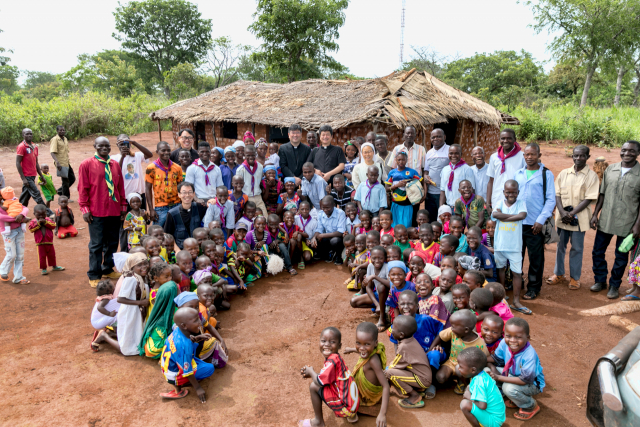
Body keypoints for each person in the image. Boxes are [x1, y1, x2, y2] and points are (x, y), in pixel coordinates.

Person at [591, 141, 640, 299]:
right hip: (606, 220)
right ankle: (600, 281)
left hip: (628, 222)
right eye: (624, 150)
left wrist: (638, 225)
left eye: (631, 151)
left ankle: (614, 285)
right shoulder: (611, 169)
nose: (627, 153)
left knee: (621, 255)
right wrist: (595, 214)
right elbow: (602, 194)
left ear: (637, 153)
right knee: (598, 251)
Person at [546, 145, 599, 291]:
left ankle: (575, 278)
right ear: (572, 156)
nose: (578, 158)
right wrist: (562, 212)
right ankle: (559, 273)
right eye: (576, 155)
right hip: (562, 218)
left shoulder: (592, 176)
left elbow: (588, 199)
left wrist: (571, 213)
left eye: (582, 156)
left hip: (579, 219)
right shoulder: (564, 173)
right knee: (560, 246)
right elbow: (556, 194)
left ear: (588, 157)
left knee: (576, 248)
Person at [78, 137, 128, 287]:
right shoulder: (86, 164)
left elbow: (120, 188)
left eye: (107, 145)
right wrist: (84, 208)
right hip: (96, 210)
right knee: (96, 244)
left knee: (112, 242)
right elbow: (83, 188)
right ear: (95, 146)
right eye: (101, 145)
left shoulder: (114, 165)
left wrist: (123, 207)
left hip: (113, 209)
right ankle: (94, 273)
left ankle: (107, 268)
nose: (104, 148)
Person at [513, 143, 555, 301]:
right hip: (518, 222)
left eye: (532, 154)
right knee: (517, 255)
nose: (529, 157)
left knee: (535, 257)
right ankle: (517, 283)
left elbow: (551, 200)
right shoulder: (518, 173)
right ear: (523, 156)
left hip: (535, 224)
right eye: (526, 154)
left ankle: (534, 287)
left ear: (539, 155)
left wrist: (540, 220)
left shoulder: (546, 174)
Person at [90, 252, 149, 355]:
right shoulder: (130, 279)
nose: (143, 267)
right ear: (131, 266)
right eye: (139, 265)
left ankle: (111, 334)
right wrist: (141, 302)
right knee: (128, 350)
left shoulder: (137, 277)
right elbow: (120, 299)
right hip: (128, 312)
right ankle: (104, 336)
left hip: (134, 312)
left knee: (134, 339)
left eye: (145, 263)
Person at [299, 327, 359, 425]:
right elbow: (326, 378)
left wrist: (311, 371)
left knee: (313, 386)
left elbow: (319, 382)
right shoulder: (337, 358)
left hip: (346, 407)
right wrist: (312, 375)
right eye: (323, 341)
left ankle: (318, 422)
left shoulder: (331, 361)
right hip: (352, 405)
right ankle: (352, 416)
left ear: (339, 346)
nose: (327, 344)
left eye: (332, 342)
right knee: (320, 381)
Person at [488, 317, 544, 421]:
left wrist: (498, 377)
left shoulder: (529, 355)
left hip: (531, 384)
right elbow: (496, 358)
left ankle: (530, 406)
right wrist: (480, 359)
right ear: (504, 335)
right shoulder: (504, 343)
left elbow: (524, 380)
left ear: (527, 338)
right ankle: (516, 398)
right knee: (487, 370)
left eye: (518, 337)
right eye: (508, 336)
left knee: (509, 388)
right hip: (512, 374)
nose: (512, 340)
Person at [159, 307, 215, 402]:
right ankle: (179, 387)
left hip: (168, 367)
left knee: (194, 352)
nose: (199, 322)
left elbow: (187, 340)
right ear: (184, 326)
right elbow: (187, 371)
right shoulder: (184, 345)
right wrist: (198, 388)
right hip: (174, 375)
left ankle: (179, 382)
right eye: (196, 320)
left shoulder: (177, 331)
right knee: (209, 368)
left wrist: (198, 337)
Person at [492, 180, 528, 314]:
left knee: (517, 273)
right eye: (508, 192)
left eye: (514, 192)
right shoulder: (500, 202)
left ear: (518, 192)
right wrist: (514, 216)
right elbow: (495, 215)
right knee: (500, 269)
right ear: (504, 192)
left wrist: (503, 217)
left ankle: (516, 301)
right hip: (500, 245)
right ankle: (502, 296)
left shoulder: (521, 203)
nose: (511, 194)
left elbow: (523, 215)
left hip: (514, 246)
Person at [111, 134, 153, 251]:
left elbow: (150, 154)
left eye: (126, 141)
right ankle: (125, 251)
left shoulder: (137, 155)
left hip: (139, 195)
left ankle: (142, 248)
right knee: (125, 225)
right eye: (121, 142)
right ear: (117, 144)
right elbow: (115, 172)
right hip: (124, 197)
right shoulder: (114, 158)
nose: (124, 144)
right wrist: (123, 157)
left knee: (141, 221)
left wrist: (134, 143)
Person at [343, 322, 389, 425]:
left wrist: (382, 414)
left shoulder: (373, 361)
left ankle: (353, 411)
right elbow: (362, 350)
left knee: (339, 392)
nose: (361, 348)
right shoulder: (375, 349)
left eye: (367, 344)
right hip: (366, 389)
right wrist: (352, 349)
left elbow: (386, 386)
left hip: (368, 397)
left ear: (375, 343)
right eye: (358, 343)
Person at [384, 315, 432, 409]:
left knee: (390, 373)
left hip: (422, 379)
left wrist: (385, 372)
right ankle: (417, 390)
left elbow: (395, 365)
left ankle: (414, 395)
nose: (391, 330)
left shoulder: (404, 346)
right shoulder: (409, 340)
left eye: (393, 328)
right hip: (421, 375)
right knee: (390, 370)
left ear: (401, 334)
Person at [458, 347, 506, 427]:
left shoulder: (478, 382)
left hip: (494, 421)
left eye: (461, 367)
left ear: (473, 370)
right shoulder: (482, 375)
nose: (459, 369)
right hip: (498, 417)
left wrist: (469, 397)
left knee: (465, 404)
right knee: (469, 388)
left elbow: (482, 406)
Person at [140, 267, 180, 358]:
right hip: (155, 349)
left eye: (171, 276)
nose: (170, 279)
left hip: (151, 344)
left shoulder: (162, 290)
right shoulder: (159, 294)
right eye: (166, 277)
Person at [146, 141, 184, 226]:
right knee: (158, 232)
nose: (166, 153)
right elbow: (147, 189)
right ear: (157, 152)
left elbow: (181, 187)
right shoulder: (151, 168)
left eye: (168, 150)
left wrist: (182, 205)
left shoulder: (177, 168)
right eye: (163, 150)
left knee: (178, 231)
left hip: (176, 205)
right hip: (160, 207)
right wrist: (151, 210)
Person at [486, 129, 525, 211]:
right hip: (497, 199)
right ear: (499, 140)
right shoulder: (494, 157)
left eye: (509, 138)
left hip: (515, 201)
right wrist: (488, 202)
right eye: (503, 138)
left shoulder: (522, 157)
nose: (505, 141)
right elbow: (491, 180)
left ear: (515, 139)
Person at [16, 128, 52, 216]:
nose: (29, 135)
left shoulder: (34, 146)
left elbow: (36, 163)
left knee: (25, 196)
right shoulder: (21, 147)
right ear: (23, 135)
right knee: (37, 194)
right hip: (26, 176)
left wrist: (42, 176)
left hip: (33, 175)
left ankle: (18, 213)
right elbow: (17, 163)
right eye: (27, 134)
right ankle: (49, 213)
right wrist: (23, 178)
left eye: (30, 134)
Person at [163, 182, 209, 249]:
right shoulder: (172, 214)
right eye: (184, 192)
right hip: (181, 249)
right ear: (179, 194)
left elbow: (212, 207)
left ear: (193, 194)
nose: (187, 195)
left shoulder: (199, 207)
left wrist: (211, 201)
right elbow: (167, 234)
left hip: (197, 249)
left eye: (190, 192)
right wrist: (177, 250)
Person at [386, 151, 423, 228]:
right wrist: (397, 185)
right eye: (399, 160)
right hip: (395, 204)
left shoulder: (412, 172)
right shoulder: (392, 173)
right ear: (395, 160)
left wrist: (424, 195)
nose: (401, 162)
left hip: (408, 204)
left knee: (406, 226)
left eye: (403, 160)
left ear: (406, 160)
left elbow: (421, 182)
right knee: (395, 226)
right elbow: (387, 189)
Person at [0, 190, 29, 284]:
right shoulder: (3, 206)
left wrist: (21, 214)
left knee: (20, 255)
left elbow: (24, 208)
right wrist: (18, 218)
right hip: (8, 234)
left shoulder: (11, 200)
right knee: (11, 255)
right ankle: (3, 271)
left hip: (19, 230)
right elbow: (2, 217)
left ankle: (18, 277)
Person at [28, 204, 65, 276]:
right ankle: (43, 269)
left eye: (43, 214)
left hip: (49, 242)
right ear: (34, 214)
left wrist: (45, 222)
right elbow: (31, 229)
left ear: (46, 213)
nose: (41, 216)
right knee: (42, 256)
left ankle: (54, 266)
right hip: (40, 243)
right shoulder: (33, 221)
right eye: (39, 215)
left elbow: (53, 226)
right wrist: (38, 224)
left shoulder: (47, 219)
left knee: (52, 255)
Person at [311, 196, 346, 264]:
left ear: (333, 205)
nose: (325, 210)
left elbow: (340, 232)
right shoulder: (321, 214)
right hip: (326, 238)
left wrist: (322, 235)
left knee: (335, 241)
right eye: (323, 207)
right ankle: (328, 254)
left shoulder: (340, 213)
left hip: (338, 238)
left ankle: (338, 256)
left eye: (328, 208)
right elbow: (319, 229)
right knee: (316, 239)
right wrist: (314, 238)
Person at [235, 145, 268, 215]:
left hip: (258, 196)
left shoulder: (260, 167)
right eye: (248, 155)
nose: (250, 157)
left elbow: (260, 180)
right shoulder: (240, 169)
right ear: (244, 155)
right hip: (247, 197)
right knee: (250, 218)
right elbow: (238, 185)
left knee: (265, 217)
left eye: (253, 155)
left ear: (255, 154)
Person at [440, 144, 475, 208]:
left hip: (462, 207)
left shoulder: (467, 169)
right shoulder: (445, 170)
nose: (453, 156)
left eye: (456, 153)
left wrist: (468, 209)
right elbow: (443, 191)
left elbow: (471, 190)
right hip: (449, 207)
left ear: (461, 154)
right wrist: (441, 209)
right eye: (451, 153)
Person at [50, 125, 76, 200]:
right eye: (60, 130)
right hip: (60, 163)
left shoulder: (65, 139)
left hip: (67, 162)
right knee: (65, 181)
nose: (62, 131)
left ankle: (60, 191)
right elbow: (52, 152)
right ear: (57, 131)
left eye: (63, 130)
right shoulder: (55, 139)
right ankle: (66, 198)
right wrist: (57, 162)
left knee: (72, 178)